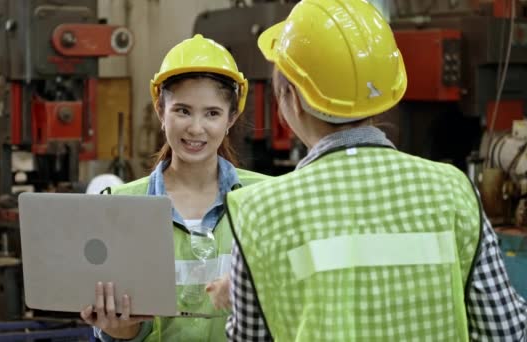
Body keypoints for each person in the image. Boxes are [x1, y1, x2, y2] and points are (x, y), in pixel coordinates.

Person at [223, 0, 527, 341]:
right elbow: (506, 331)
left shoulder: (260, 214)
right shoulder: (454, 191)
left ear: (291, 99)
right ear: (386, 92)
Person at [79, 34, 270, 341]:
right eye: (182, 110)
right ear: (160, 111)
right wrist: (120, 330)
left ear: (231, 118)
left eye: (212, 113)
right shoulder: (120, 204)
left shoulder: (267, 198)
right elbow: (125, 327)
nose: (196, 128)